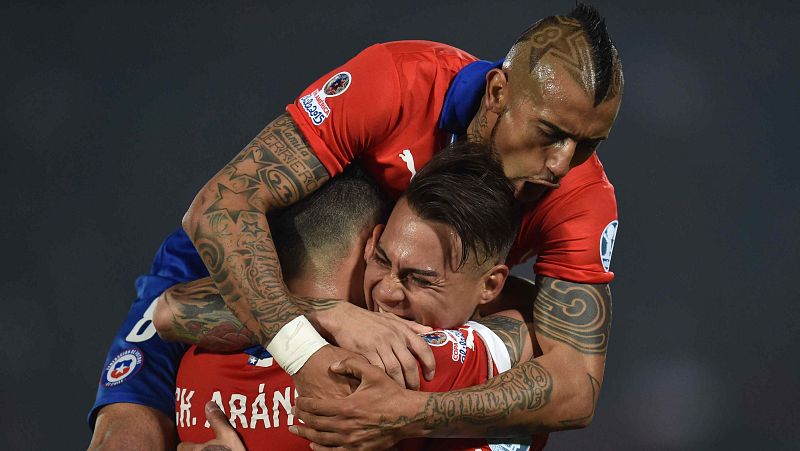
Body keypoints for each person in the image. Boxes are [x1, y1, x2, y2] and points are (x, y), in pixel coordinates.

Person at [88, 3, 622, 449]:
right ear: (499, 93)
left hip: (377, 318)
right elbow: (220, 212)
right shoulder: (397, 83)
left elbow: (575, 387)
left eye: (588, 144)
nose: (561, 163)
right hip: (237, 267)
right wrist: (316, 336)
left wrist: (403, 414)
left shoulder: (580, 199)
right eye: (549, 132)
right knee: (126, 439)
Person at [161, 144, 543, 450]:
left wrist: (327, 314)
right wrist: (337, 314)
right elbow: (544, 334)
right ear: (369, 244)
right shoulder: (401, 362)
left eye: (421, 279)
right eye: (382, 260)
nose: (387, 293)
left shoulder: (195, 365)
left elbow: (169, 310)